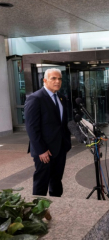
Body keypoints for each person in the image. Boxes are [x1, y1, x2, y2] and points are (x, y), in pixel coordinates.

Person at [25, 68, 72, 197]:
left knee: (56, 181)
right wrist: (41, 150)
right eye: (53, 78)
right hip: (44, 151)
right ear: (44, 80)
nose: (57, 81)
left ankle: (56, 206)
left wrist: (66, 144)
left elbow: (62, 124)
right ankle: (38, 211)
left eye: (59, 79)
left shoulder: (61, 98)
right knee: (41, 182)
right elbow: (31, 127)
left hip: (60, 148)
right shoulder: (36, 98)